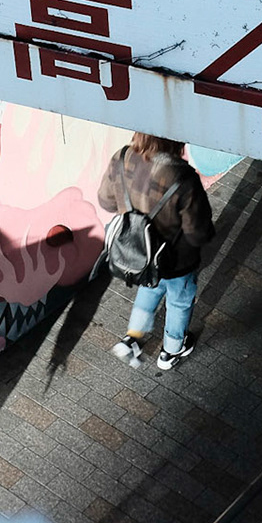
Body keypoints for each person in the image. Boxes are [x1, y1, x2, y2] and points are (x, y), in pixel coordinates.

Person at [97, 131, 216, 372]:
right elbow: (198, 233)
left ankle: (133, 337)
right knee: (179, 301)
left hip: (140, 254)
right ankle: (171, 350)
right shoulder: (183, 177)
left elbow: (106, 202)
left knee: (149, 286)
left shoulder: (122, 157)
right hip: (177, 260)